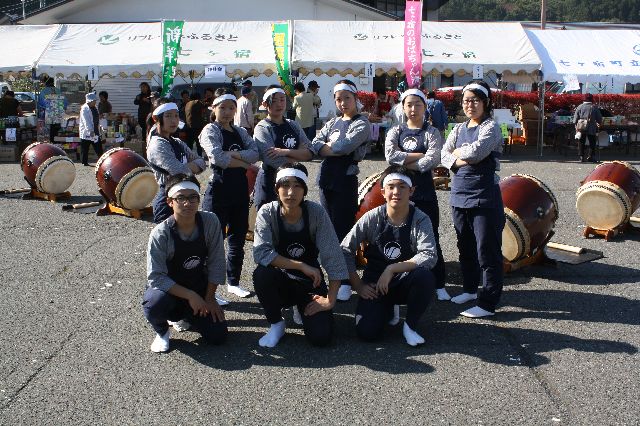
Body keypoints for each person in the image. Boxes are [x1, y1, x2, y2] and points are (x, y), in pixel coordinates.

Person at [253, 163, 348, 347]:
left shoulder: (316, 212)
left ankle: (301, 306)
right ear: (276, 189)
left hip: (310, 281)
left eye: (297, 186)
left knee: (321, 337)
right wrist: (301, 265)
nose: (290, 192)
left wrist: (330, 299)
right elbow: (261, 253)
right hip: (281, 279)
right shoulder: (267, 212)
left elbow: (333, 256)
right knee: (262, 274)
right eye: (285, 185)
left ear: (304, 190)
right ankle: (276, 324)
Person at [341, 165, 437, 346]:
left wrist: (392, 269)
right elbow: (344, 250)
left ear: (412, 191)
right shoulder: (372, 217)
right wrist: (358, 285)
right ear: (383, 192)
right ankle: (387, 308)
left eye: (402, 187)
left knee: (425, 277)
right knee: (367, 333)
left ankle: (410, 326)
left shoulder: (420, 218)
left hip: (403, 280)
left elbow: (429, 255)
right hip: (375, 285)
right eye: (391, 187)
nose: (396, 192)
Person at [440, 80, 505, 318]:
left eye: (475, 100)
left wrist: (457, 154)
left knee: (487, 251)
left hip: (484, 196)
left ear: (485, 103)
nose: (470, 105)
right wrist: (459, 157)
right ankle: (469, 289)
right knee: (465, 247)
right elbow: (443, 154)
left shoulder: (491, 127)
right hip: (459, 195)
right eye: (466, 100)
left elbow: (477, 153)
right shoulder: (458, 128)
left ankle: (487, 303)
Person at [142, 174, 228, 353]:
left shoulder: (210, 221)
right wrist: (190, 296)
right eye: (180, 198)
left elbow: (217, 262)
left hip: (198, 286)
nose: (187, 203)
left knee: (218, 337)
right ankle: (162, 332)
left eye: (193, 197)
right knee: (154, 303)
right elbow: (156, 277)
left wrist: (209, 298)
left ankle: (189, 316)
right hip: (169, 291)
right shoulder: (160, 233)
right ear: (170, 202)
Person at [385, 88, 449, 301]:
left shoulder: (432, 132)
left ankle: (439, 282)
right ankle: (402, 280)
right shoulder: (396, 130)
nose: (413, 109)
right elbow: (390, 156)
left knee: (432, 237)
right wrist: (418, 155)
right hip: (400, 195)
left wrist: (407, 163)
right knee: (400, 236)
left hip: (425, 193)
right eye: (409, 105)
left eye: (418, 104)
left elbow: (433, 159)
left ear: (425, 107)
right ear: (403, 107)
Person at [311, 79, 371, 302]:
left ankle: (345, 280)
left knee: (344, 231)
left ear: (355, 98)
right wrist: (327, 149)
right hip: (326, 179)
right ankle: (335, 275)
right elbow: (314, 143)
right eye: (338, 99)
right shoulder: (333, 122)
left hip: (345, 181)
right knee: (328, 230)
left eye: (347, 97)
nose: (343, 102)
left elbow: (345, 146)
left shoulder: (361, 123)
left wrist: (324, 149)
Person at [199, 90, 259, 299]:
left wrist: (233, 154)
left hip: (240, 191)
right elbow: (217, 158)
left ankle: (233, 282)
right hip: (218, 191)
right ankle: (209, 289)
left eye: (231, 108)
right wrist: (244, 163)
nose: (226, 112)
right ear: (214, 109)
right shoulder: (210, 130)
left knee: (237, 239)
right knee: (213, 242)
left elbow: (255, 153)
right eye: (222, 108)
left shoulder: (240, 131)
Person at [146, 100, 206, 224]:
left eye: (176, 115)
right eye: (168, 116)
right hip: (167, 198)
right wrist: (190, 167)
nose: (174, 120)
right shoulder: (157, 144)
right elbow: (180, 171)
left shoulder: (177, 142)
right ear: (156, 118)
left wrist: (187, 168)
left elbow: (202, 162)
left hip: (184, 196)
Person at [254, 85, 313, 208]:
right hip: (270, 180)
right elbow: (271, 159)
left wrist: (284, 151)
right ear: (265, 104)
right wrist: (298, 154)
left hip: (292, 182)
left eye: (282, 100)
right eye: (274, 101)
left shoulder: (293, 124)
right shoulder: (262, 127)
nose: (279, 104)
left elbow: (310, 152)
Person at [573, 93, 603, 163]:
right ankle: (591, 157)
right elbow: (599, 119)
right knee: (592, 142)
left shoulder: (580, 106)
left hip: (581, 126)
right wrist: (598, 123)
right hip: (591, 126)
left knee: (581, 142)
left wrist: (576, 127)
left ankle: (581, 157)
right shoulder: (594, 107)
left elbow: (575, 119)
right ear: (591, 99)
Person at [78, 92, 103, 166]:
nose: (95, 102)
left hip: (95, 131)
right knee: (85, 149)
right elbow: (86, 122)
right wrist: (92, 133)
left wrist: (99, 127)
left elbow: (96, 119)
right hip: (88, 132)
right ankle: (84, 163)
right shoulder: (85, 109)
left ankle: (102, 161)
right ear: (90, 101)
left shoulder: (94, 107)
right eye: (94, 101)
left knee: (98, 147)